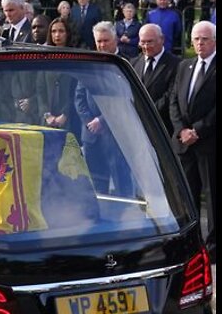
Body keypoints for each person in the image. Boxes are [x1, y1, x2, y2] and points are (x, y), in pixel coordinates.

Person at [169, 21, 217, 262]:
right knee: (187, 194)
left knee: (211, 194)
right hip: (184, 143)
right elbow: (174, 102)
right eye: (196, 39)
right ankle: (193, 242)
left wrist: (197, 130)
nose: (200, 43)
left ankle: (213, 246)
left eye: (205, 39)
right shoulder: (184, 66)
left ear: (214, 41)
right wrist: (181, 130)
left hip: (208, 143)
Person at [73, 22, 133, 196]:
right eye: (99, 41)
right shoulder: (88, 64)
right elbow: (79, 97)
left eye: (106, 40)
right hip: (91, 135)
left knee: (121, 183)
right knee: (97, 184)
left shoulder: (124, 63)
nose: (102, 45)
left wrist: (102, 120)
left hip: (116, 134)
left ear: (115, 40)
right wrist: (89, 121)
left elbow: (124, 99)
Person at [131, 23, 176, 135]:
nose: (146, 46)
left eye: (150, 42)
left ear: (162, 39)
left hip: (162, 126)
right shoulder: (133, 63)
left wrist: (147, 112)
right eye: (143, 42)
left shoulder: (176, 65)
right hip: (136, 125)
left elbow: (170, 94)